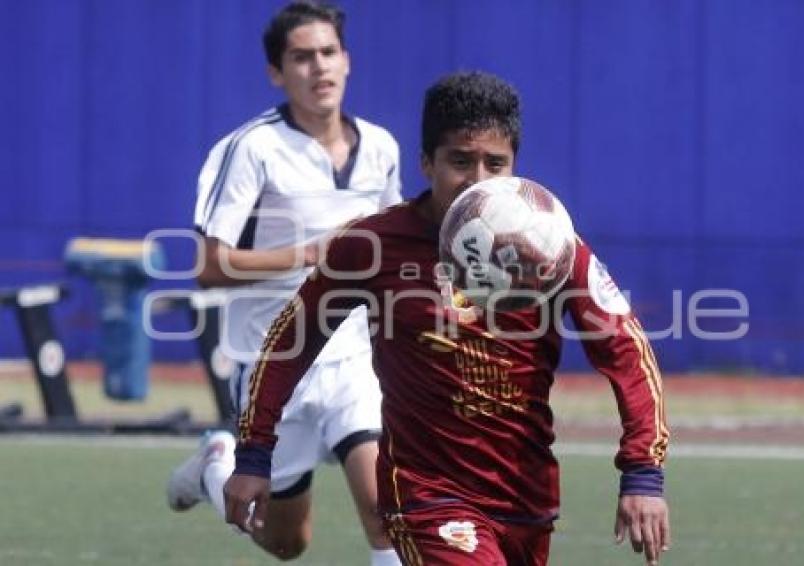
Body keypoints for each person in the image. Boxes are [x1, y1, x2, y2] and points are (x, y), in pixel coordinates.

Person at [223, 71, 671, 565]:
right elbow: (290, 341)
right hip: (425, 495)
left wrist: (642, 472)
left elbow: (628, 352)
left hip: (525, 499)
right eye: (460, 161)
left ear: (515, 166)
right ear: (426, 164)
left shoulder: (551, 245)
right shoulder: (371, 245)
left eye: (495, 164)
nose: (478, 180)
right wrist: (254, 453)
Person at [166, 2, 402, 565]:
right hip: (273, 359)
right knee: (286, 542)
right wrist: (310, 255)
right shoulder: (251, 149)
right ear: (277, 72)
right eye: (301, 57)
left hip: (353, 359)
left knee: (386, 512)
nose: (318, 67)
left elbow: (395, 247)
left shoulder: (382, 148)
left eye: (328, 53)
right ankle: (217, 464)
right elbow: (210, 264)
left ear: (347, 61)